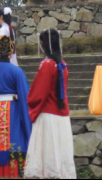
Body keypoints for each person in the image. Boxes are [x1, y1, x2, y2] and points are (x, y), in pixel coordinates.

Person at [24, 29, 76, 179]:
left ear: (43, 45)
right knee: (59, 153)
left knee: (47, 153)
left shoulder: (47, 64)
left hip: (48, 116)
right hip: (62, 116)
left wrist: (29, 101)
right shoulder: (63, 65)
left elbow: (38, 93)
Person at [0, 35, 31, 179]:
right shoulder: (17, 72)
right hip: (13, 113)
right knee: (14, 146)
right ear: (11, 52)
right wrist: (27, 127)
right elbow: (25, 100)